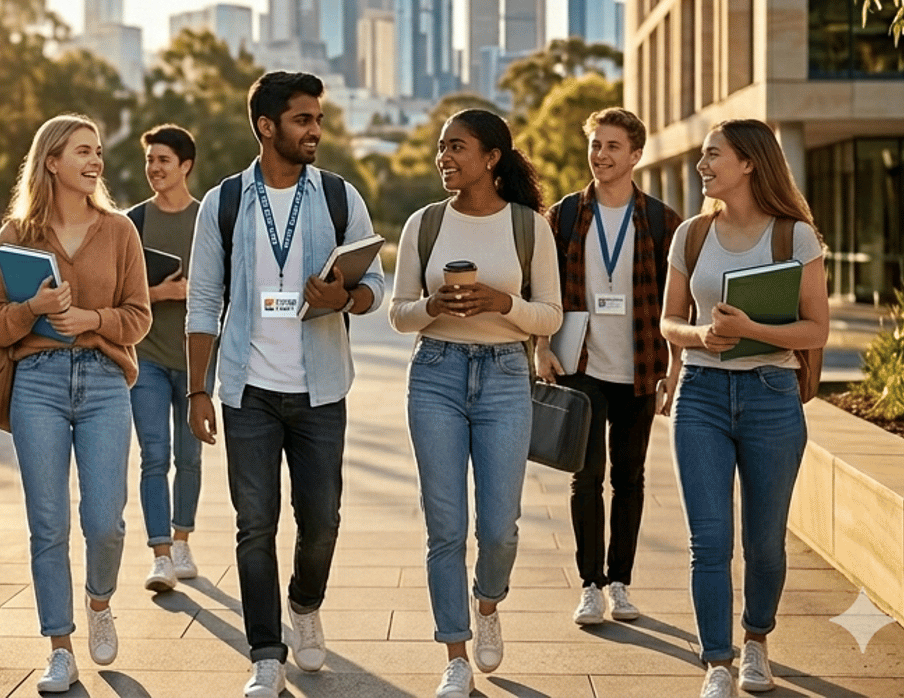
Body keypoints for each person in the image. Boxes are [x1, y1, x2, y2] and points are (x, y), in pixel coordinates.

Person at [185, 71, 387, 698]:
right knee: (254, 524)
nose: (316, 132)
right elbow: (202, 301)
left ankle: (305, 603)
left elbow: (375, 284)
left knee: (321, 519)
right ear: (266, 126)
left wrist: (344, 296)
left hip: (321, 389)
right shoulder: (223, 202)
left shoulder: (336, 196)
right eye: (304, 120)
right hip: (247, 391)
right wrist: (198, 391)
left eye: (319, 120)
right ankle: (265, 652)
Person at [389, 109, 562, 698]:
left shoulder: (529, 227)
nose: (444, 158)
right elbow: (398, 312)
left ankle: (487, 603)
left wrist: (501, 302)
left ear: (491, 158)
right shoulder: (424, 223)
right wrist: (434, 307)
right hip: (435, 373)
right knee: (445, 526)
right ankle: (455, 653)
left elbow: (552, 315)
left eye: (457, 148)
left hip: (506, 376)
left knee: (501, 527)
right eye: (441, 148)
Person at [0, 114, 151, 694]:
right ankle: (59, 646)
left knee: (105, 520)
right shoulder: (16, 235)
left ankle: (99, 601)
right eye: (83, 150)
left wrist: (89, 320)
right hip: (38, 385)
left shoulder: (120, 231)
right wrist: (35, 309)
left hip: (104, 382)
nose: (95, 160)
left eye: (98, 151)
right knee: (46, 524)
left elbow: (139, 316)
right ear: (52, 161)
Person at [660, 119, 828, 698]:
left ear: (749, 162)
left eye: (713, 155)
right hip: (701, 396)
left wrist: (753, 328)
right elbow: (668, 322)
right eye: (704, 155)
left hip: (771, 397)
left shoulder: (794, 236)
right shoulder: (690, 235)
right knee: (708, 541)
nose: (704, 165)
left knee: (764, 541)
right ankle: (717, 662)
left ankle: (757, 641)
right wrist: (699, 335)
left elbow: (816, 329)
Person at [543, 108, 682, 627]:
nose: (600, 155)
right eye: (596, 145)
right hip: (582, 364)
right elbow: (544, 287)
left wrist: (674, 368)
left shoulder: (659, 221)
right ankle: (589, 586)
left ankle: (620, 582)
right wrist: (541, 346)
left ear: (636, 155)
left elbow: (679, 303)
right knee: (585, 478)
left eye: (612, 147)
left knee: (631, 478)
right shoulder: (564, 215)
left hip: (640, 368)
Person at [125, 124, 207, 594]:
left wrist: (197, 293)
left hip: (196, 357)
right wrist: (164, 292)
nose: (154, 169)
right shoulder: (133, 222)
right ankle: (160, 555)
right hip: (148, 357)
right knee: (153, 455)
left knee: (189, 455)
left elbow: (228, 286)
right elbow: (120, 290)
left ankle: (182, 541)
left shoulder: (208, 220)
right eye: (150, 161)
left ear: (185, 166)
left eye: (163, 161)